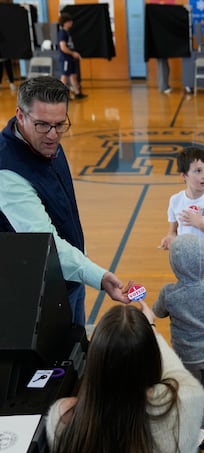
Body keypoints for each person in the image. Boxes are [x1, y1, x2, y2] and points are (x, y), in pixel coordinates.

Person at [46, 301, 204, 453]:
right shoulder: (188, 398)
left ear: (95, 362)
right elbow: (175, 370)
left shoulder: (61, 419)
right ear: (152, 360)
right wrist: (151, 326)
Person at [0, 76, 128, 326]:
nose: (53, 135)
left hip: (70, 273)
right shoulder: (7, 172)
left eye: (60, 124)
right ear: (20, 115)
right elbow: (45, 242)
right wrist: (98, 275)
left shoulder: (44, 142)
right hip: (38, 290)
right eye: (42, 125)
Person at [153, 234, 204, 424]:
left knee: (191, 391)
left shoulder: (169, 293)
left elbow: (158, 312)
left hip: (187, 357)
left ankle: (197, 425)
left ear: (174, 263)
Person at [159, 146, 204, 283]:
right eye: (198, 171)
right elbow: (172, 232)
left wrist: (200, 224)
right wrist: (169, 239)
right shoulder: (175, 200)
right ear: (183, 175)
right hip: (185, 270)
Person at [57, 12, 87, 99]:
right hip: (65, 58)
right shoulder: (62, 33)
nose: (71, 23)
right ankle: (60, 95)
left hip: (70, 58)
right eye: (69, 22)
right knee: (65, 77)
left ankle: (77, 93)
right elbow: (63, 47)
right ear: (65, 23)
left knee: (73, 75)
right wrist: (73, 53)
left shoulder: (67, 33)